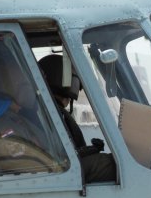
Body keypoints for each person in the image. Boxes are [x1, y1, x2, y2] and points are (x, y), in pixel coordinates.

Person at [38, 54, 117, 183]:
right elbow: (63, 156)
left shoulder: (49, 111)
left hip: (58, 168)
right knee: (111, 163)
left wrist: (89, 150)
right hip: (59, 172)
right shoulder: (54, 114)